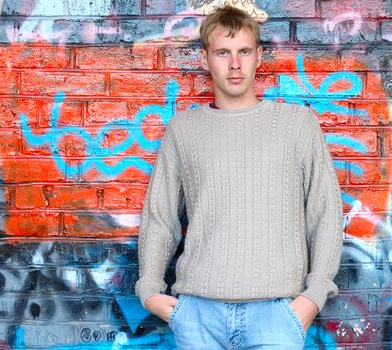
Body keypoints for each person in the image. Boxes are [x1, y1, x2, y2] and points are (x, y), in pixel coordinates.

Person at [135, 5, 343, 349]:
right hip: (198, 317)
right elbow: (160, 217)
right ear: (205, 59)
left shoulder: (297, 124)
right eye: (223, 52)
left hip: (278, 316)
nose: (235, 64)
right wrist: (149, 291)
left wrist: (314, 295)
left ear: (259, 57)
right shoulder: (184, 129)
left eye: (244, 52)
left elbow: (325, 214)